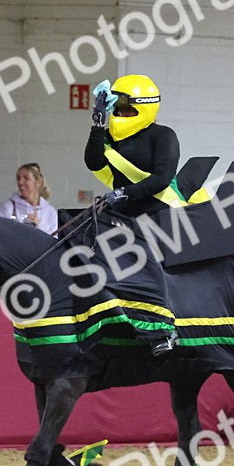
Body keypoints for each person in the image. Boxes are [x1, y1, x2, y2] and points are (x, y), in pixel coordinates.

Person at [84, 74, 181, 355]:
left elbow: (162, 178)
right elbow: (93, 161)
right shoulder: (112, 136)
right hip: (120, 215)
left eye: (126, 109)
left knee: (143, 257)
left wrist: (125, 193)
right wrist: (97, 125)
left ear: (144, 107)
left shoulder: (163, 136)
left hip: (156, 215)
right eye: (117, 108)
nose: (120, 114)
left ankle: (163, 329)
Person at [0, 163, 58, 235]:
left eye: (26, 178)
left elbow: (55, 239)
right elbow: (0, 235)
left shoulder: (50, 212)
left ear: (38, 182)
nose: (20, 182)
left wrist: (39, 226)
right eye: (18, 178)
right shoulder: (7, 207)